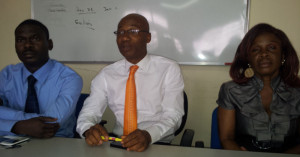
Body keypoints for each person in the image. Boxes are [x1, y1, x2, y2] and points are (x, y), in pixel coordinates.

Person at [76, 13, 184, 152]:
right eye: (120, 32)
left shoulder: (168, 69)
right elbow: (89, 113)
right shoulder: (106, 74)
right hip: (118, 143)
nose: (124, 37)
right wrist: (87, 129)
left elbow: (173, 114)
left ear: (148, 37)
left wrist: (148, 135)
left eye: (132, 31)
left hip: (156, 142)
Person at [217, 23, 300, 154]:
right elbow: (226, 139)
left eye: (271, 48)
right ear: (248, 58)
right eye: (256, 49)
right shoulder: (230, 90)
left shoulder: (297, 91)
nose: (264, 54)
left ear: (283, 55)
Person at [0, 19, 83, 138]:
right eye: (20, 40)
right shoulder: (6, 75)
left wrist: (8, 120)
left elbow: (49, 123)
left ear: (50, 44)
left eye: (35, 38)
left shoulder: (69, 78)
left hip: (56, 142)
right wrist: (17, 126)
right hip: (12, 139)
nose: (27, 45)